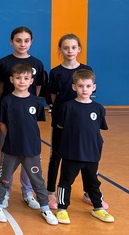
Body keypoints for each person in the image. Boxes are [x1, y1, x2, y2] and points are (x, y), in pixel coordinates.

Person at [46, 34, 109, 211]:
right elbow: (53, 95)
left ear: (79, 49)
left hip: (82, 120)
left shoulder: (86, 70)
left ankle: (89, 192)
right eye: (66, 48)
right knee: (57, 155)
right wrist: (61, 112)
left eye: (73, 47)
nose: (70, 51)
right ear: (60, 50)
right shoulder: (55, 72)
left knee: (87, 155)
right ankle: (50, 192)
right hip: (63, 119)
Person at [0, 63, 58, 226]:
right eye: (18, 78)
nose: (22, 81)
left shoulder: (36, 102)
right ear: (11, 79)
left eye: (26, 78)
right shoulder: (6, 101)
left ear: (31, 81)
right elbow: (2, 124)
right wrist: (13, 137)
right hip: (11, 148)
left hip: (31, 149)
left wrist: (29, 139)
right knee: (4, 177)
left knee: (37, 180)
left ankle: (45, 208)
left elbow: (35, 124)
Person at [0, 26, 45, 209]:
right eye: (18, 40)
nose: (22, 44)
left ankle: (27, 192)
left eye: (26, 40)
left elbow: (37, 89)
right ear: (11, 41)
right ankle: (5, 191)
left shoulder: (37, 64)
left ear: (31, 42)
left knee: (29, 157)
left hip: (27, 116)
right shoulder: (4, 62)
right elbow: (1, 88)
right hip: (10, 115)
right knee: (7, 156)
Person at [55, 69, 114, 224]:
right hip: (71, 154)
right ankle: (62, 209)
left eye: (88, 86)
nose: (84, 89)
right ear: (74, 87)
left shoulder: (98, 109)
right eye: (80, 86)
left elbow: (97, 129)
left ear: (94, 87)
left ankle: (98, 207)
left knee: (93, 183)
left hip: (92, 155)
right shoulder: (67, 107)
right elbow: (60, 126)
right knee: (65, 182)